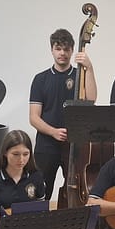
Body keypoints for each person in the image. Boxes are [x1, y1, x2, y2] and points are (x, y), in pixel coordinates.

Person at [29, 28, 97, 202]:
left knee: (75, 191)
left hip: (74, 144)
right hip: (46, 145)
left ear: (72, 50)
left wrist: (89, 68)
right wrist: (53, 132)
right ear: (52, 50)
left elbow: (91, 99)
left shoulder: (79, 75)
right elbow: (34, 118)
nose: (62, 53)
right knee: (41, 191)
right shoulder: (40, 79)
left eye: (66, 49)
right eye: (58, 49)